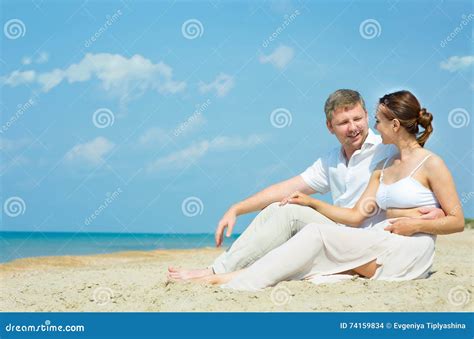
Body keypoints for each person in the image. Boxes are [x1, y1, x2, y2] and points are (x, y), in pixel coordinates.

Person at [193, 90, 464, 291]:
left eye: (363, 119)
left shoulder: (393, 150)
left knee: (312, 237)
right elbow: (350, 212)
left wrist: (425, 220)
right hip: (360, 236)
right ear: (330, 127)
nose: (360, 127)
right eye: (344, 122)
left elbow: (453, 216)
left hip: (390, 244)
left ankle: (236, 281)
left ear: (384, 121)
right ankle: (223, 272)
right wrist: (237, 208)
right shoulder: (379, 163)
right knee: (283, 209)